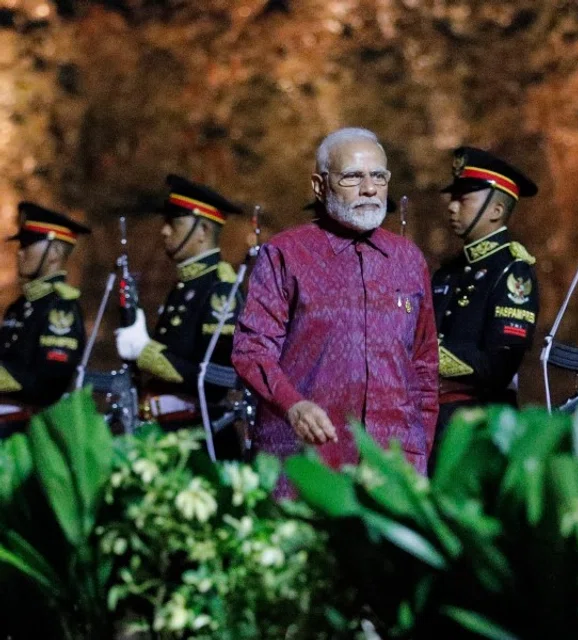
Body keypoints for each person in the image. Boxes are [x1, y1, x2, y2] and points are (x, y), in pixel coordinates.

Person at [232, 127, 438, 484]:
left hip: (391, 468)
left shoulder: (408, 260)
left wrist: (418, 448)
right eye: (353, 177)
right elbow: (252, 350)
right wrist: (292, 405)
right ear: (319, 185)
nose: (370, 189)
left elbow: (424, 363)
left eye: (378, 176)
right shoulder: (286, 254)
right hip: (306, 463)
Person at [114, 174, 245, 458]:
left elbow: (215, 377)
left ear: (202, 230)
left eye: (174, 223)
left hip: (200, 439)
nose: (164, 231)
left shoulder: (220, 289)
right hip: (166, 432)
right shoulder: (185, 286)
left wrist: (144, 350)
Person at [430, 147, 539, 469]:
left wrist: (425, 352)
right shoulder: (448, 271)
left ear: (496, 210)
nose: (451, 207)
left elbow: (498, 365)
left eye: (463, 199)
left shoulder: (511, 272)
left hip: (481, 423)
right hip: (437, 422)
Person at [0, 203, 89, 438]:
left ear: (54, 253)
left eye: (28, 244)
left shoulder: (60, 308)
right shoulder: (18, 307)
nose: (20, 252)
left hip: (28, 432)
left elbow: (48, 383)